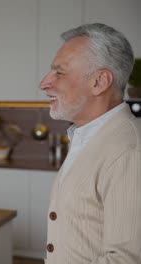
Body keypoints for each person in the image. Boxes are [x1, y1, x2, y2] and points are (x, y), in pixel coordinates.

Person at [40, 23, 141, 263]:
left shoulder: (128, 151)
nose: (44, 83)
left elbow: (125, 259)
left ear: (99, 82)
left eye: (59, 73)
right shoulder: (88, 136)